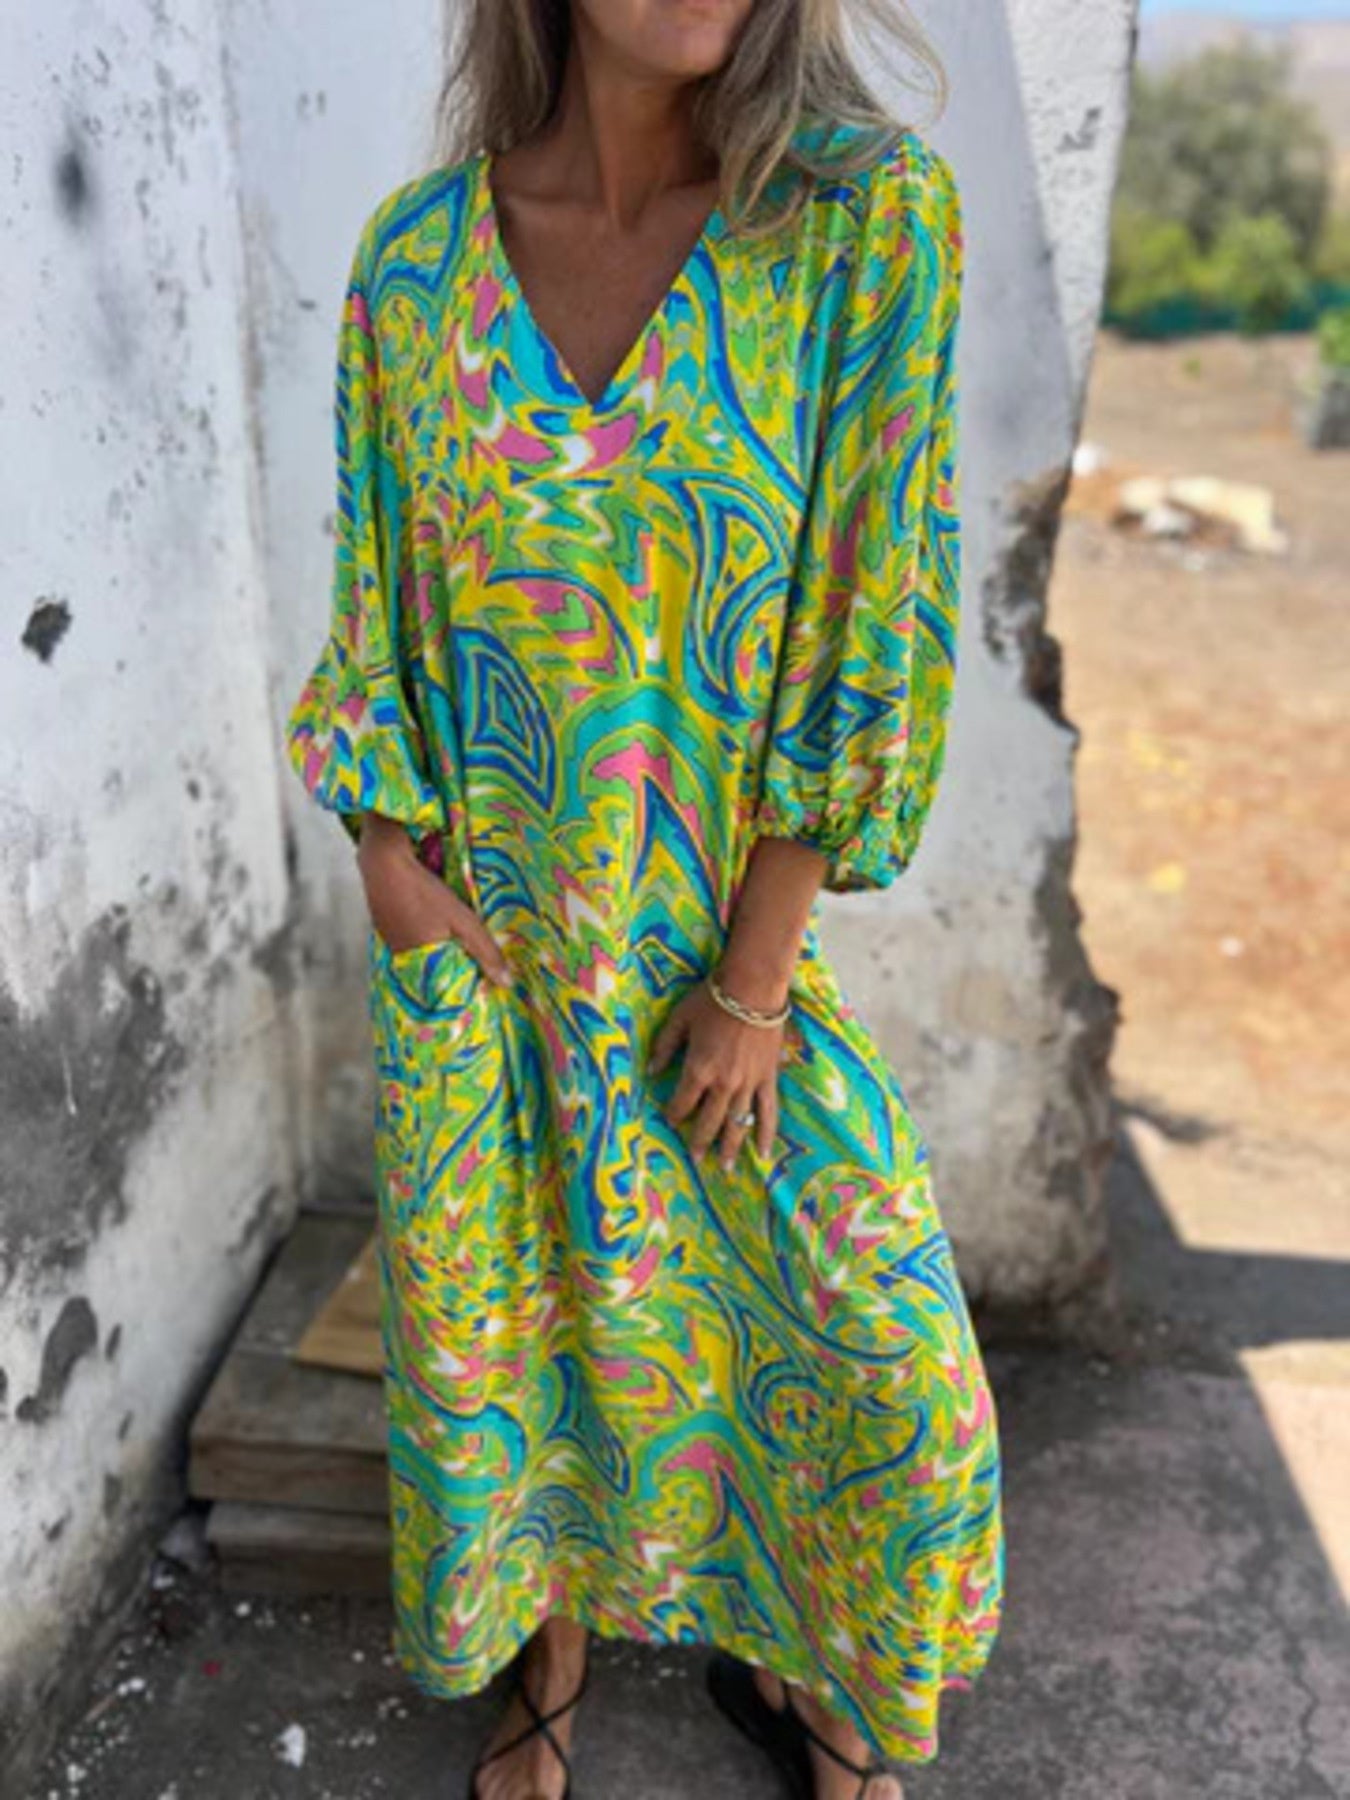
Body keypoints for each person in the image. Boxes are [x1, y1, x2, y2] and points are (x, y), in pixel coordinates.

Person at [284, 2, 1004, 1795]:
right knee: (528, 1351)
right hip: (488, 967)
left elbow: (871, 616)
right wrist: (387, 863)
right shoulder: (415, 264)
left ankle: (804, 1671)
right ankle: (545, 1678)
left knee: (890, 1384)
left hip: (711, 971)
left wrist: (754, 983)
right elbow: (376, 606)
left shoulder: (857, 225)